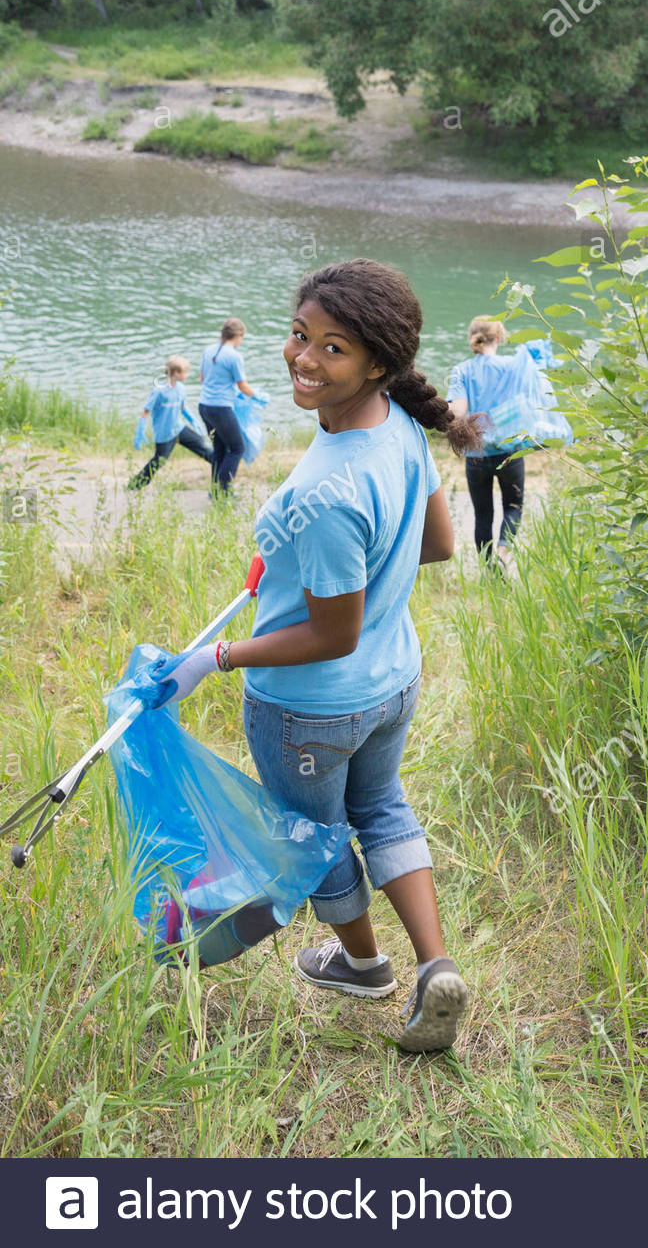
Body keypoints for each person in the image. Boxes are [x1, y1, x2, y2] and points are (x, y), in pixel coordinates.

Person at [144, 259, 482, 1053]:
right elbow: (436, 545)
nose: (303, 358)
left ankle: (362, 965)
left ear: (376, 364)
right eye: (301, 335)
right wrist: (299, 568)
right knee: (384, 807)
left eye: (333, 348)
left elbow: (333, 633)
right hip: (391, 683)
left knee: (318, 834)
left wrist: (216, 658)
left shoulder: (330, 489)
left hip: (309, 706)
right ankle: (437, 969)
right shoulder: (396, 426)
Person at [446, 315, 529, 570]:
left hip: (476, 453)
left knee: (483, 514)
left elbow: (458, 412)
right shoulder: (514, 367)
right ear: (499, 338)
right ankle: (504, 554)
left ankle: (489, 571)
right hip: (510, 451)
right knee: (513, 507)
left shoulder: (462, 370)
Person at [128, 355, 213, 490]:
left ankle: (221, 481)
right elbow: (146, 411)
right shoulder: (159, 391)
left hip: (179, 429)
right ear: (175, 373)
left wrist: (194, 421)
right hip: (164, 433)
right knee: (158, 461)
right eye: (185, 372)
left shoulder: (180, 388)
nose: (187, 375)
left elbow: (183, 407)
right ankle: (134, 485)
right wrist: (140, 431)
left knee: (207, 451)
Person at [199, 318, 256, 495]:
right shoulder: (234, 356)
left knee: (220, 449)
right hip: (221, 408)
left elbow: (202, 379)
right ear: (238, 336)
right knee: (238, 448)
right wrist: (258, 396)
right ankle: (223, 492)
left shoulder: (208, 350)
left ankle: (214, 491)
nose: (241, 341)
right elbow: (242, 386)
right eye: (242, 338)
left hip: (204, 406)